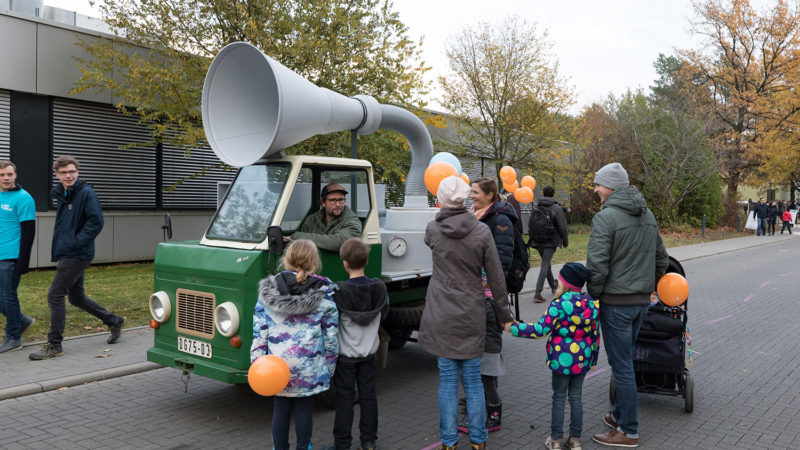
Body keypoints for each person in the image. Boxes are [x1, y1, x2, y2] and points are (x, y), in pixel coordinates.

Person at [418, 176, 514, 450]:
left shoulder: (432, 230)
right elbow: (496, 279)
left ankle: (449, 441)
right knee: (473, 381)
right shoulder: (482, 232)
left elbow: (432, 238)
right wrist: (505, 314)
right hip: (472, 312)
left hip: (441, 312)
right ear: (465, 198)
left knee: (447, 382)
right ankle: (478, 440)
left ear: (441, 200)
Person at [586, 162, 668, 448]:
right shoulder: (648, 215)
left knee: (621, 366)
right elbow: (662, 259)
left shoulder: (606, 218)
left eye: (598, 184)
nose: (595, 189)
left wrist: (593, 295)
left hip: (616, 304)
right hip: (640, 303)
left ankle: (628, 431)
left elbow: (597, 264)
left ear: (611, 186)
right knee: (626, 362)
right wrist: (651, 287)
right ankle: (619, 414)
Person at [30, 156, 125, 361]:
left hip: (77, 253)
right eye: (64, 172)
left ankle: (55, 344)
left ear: (77, 172)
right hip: (68, 251)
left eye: (72, 171)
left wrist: (77, 242)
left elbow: (96, 221)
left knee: (55, 295)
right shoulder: (65, 194)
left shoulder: (85, 193)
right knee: (75, 297)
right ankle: (114, 320)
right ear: (57, 175)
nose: (68, 175)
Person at [250, 239, 339, 450]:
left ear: (286, 261)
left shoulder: (267, 296)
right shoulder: (325, 298)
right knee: (304, 409)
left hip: (275, 369)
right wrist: (329, 368)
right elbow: (331, 338)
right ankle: (304, 447)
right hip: (309, 369)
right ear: (314, 263)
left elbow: (259, 334)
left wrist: (257, 363)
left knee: (280, 408)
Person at [507, 262, 600, 450]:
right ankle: (575, 440)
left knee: (559, 397)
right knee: (576, 397)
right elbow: (595, 335)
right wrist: (593, 360)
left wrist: (514, 327)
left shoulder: (558, 305)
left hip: (561, 359)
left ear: (565, 284)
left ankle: (556, 440)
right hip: (582, 359)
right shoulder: (591, 305)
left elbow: (540, 329)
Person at [327, 238, 389, 450]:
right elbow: (385, 313)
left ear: (345, 263)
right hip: (369, 353)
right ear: (366, 260)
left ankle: (342, 444)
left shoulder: (338, 291)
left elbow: (332, 323)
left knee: (344, 400)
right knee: (368, 397)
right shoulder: (379, 288)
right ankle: (369, 442)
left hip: (346, 356)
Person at [0, 161, 36, 353]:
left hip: (11, 256)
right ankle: (21, 320)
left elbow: (29, 232)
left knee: (8, 297)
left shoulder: (24, 198)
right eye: (2, 175)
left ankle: (13, 337)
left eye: (9, 174)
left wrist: (24, 261)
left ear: (15, 175)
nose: (6, 178)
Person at [289, 183, 362, 252]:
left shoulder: (353, 223)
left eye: (341, 200)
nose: (338, 204)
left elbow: (334, 243)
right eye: (333, 200)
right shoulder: (311, 220)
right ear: (323, 203)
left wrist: (297, 236)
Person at [529, 186, 569, 303]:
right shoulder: (556, 207)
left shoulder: (536, 206)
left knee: (547, 264)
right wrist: (565, 241)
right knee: (545, 265)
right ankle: (538, 293)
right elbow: (562, 227)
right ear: (553, 195)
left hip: (537, 240)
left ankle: (553, 286)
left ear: (543, 193)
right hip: (550, 241)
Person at [470, 178, 517, 278]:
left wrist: (495, 280)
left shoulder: (501, 219)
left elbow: (503, 253)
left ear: (490, 195)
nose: (471, 196)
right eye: (471, 192)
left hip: (487, 279)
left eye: (476, 192)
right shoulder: (473, 215)